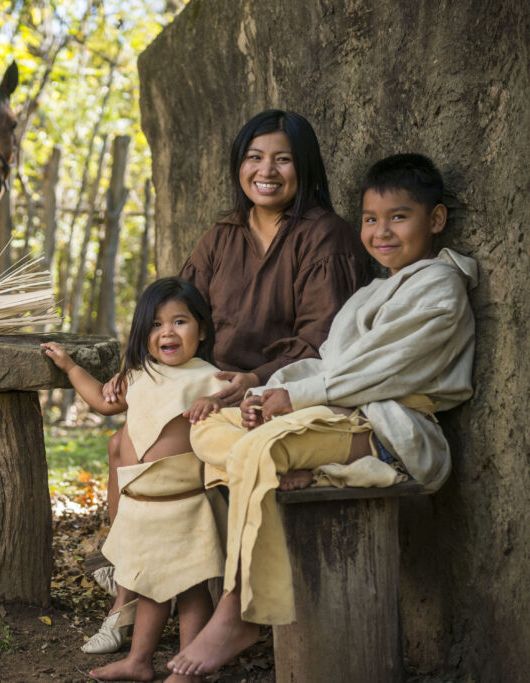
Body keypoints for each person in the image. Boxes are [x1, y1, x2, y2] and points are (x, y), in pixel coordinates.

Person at [169, 153, 477, 676]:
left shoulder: (439, 287)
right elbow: (326, 362)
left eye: (399, 217)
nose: (381, 232)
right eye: (371, 219)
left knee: (258, 449)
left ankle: (239, 609)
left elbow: (389, 369)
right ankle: (317, 465)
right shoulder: (370, 293)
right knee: (209, 428)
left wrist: (300, 400)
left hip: (385, 424)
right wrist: (270, 392)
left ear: (437, 219)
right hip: (330, 417)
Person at [88, 109, 369, 651]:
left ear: (304, 167)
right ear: (239, 166)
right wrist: (137, 371)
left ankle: (136, 599)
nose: (267, 170)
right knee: (122, 442)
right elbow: (175, 314)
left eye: (283, 159)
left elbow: (320, 341)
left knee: (152, 454)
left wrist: (254, 379)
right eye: (254, 157)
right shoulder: (222, 235)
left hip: (282, 390)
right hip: (209, 385)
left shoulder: (324, 237)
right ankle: (128, 583)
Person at [43, 277, 230, 682]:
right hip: (142, 506)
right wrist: (71, 367)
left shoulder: (210, 378)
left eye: (180, 322)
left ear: (202, 329)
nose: (167, 332)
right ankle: (139, 662)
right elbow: (100, 401)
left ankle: (188, 668)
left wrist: (217, 401)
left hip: (184, 504)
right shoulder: (139, 375)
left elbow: (243, 406)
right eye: (156, 324)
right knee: (148, 587)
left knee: (192, 588)